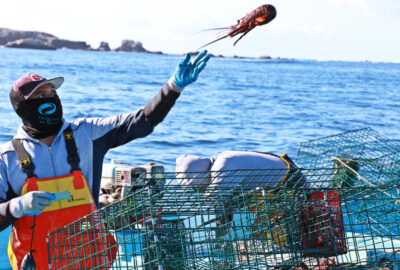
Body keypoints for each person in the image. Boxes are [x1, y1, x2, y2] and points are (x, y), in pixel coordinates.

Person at [0, 50, 210, 270]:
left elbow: (139, 122)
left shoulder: (86, 133)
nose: (50, 99)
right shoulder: (7, 158)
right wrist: (15, 207)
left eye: (52, 92)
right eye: (40, 96)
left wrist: (173, 88)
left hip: (92, 262)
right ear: (21, 106)